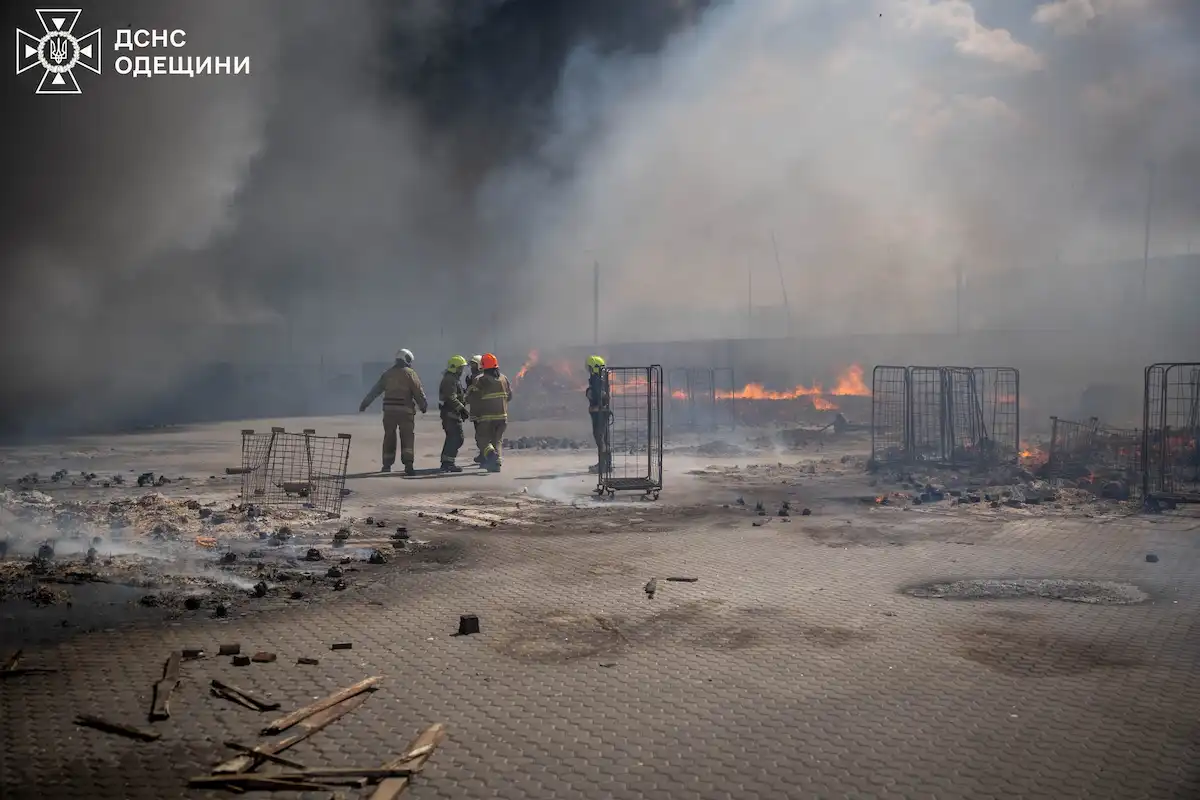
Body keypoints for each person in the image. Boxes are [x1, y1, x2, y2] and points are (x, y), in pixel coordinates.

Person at [359, 348, 428, 475]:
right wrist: (423, 406)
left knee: (389, 436)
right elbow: (418, 391)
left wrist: (365, 404)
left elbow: (375, 391)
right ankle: (408, 465)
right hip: (405, 412)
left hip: (389, 412)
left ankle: (386, 465)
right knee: (407, 437)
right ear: (407, 359)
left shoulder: (387, 374)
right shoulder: (410, 373)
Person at [466, 353, 512, 472]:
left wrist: (468, 388)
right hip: (502, 417)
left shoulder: (480, 380)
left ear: (483, 366)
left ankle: (491, 455)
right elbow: (510, 396)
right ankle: (496, 464)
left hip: (486, 417)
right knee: (497, 440)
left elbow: (470, 398)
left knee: (482, 439)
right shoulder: (504, 378)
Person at [438, 355, 471, 473]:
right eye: (460, 368)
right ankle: (448, 463)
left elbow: (459, 397)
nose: (462, 371)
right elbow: (451, 397)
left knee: (454, 438)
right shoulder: (449, 380)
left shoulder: (453, 380)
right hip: (450, 414)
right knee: (456, 438)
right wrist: (461, 409)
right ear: (455, 368)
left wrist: (468, 388)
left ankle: (447, 462)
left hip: (452, 413)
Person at [585, 355, 612, 474]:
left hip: (599, 413)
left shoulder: (597, 380)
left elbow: (599, 396)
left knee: (601, 438)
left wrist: (595, 406)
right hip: (600, 412)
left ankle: (604, 466)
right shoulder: (601, 378)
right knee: (603, 439)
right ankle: (605, 464)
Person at [465, 355, 485, 463]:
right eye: (471, 365)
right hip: (476, 410)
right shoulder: (472, 377)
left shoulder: (481, 378)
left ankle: (486, 455)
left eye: (474, 364)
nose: (472, 367)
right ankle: (483, 454)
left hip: (482, 411)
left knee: (483, 435)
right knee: (479, 435)